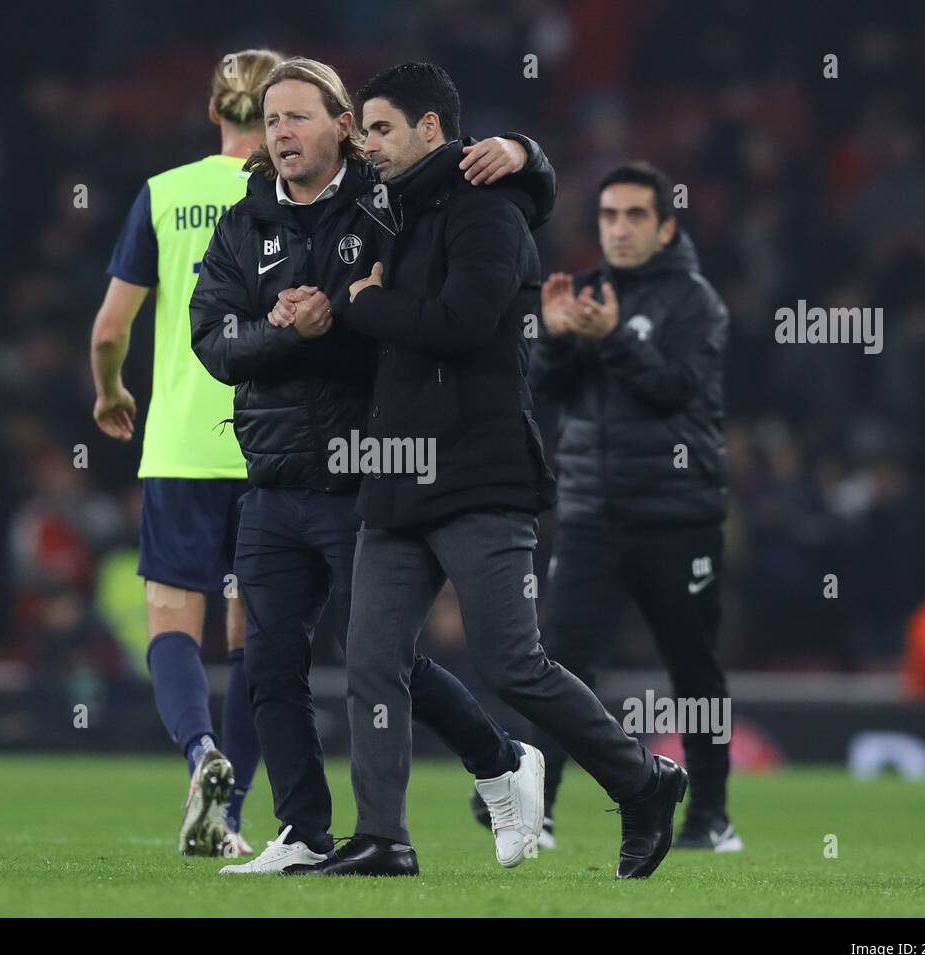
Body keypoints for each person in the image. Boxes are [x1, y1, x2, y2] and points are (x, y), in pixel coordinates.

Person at [294, 64, 687, 880]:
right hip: (395, 472)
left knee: (514, 662)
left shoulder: (490, 212)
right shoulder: (388, 212)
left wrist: (366, 303)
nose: (367, 144)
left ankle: (642, 781)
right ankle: (382, 837)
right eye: (362, 130)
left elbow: (463, 323)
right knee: (371, 658)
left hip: (480, 470)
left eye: (381, 128)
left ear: (432, 129)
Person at [191, 56, 555, 876]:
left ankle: (496, 760)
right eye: (270, 120)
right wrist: (288, 332)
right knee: (269, 661)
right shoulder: (242, 224)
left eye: (297, 116)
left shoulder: (384, 198)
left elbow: (504, 202)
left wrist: (529, 152)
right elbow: (211, 342)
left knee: (380, 659)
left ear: (342, 126)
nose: (280, 132)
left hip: (367, 469)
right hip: (273, 475)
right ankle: (304, 832)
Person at [90, 49, 280, 858]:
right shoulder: (292, 191)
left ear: (214, 113)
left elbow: (109, 329)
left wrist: (110, 392)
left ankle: (200, 751)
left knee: (172, 617)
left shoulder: (165, 194)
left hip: (177, 446)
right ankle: (231, 814)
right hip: (273, 442)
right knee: (257, 634)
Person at [518, 161, 737, 851]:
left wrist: (611, 338)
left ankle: (709, 815)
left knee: (692, 668)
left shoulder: (696, 302)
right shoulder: (584, 293)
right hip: (590, 514)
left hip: (678, 515)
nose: (618, 228)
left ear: (666, 227)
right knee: (558, 663)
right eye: (609, 215)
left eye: (635, 215)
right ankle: (540, 810)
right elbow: (545, 391)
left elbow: (675, 388)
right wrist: (554, 339)